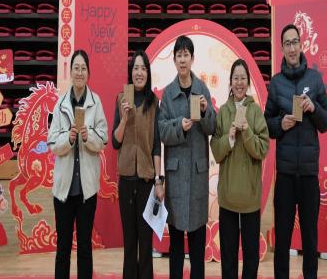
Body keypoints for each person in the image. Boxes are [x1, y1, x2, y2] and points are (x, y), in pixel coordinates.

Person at [264, 24, 327, 279]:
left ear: (301, 45)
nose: (292, 48)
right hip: (285, 175)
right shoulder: (276, 83)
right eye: (287, 43)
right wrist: (279, 124)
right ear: (282, 48)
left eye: (295, 42)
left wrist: (314, 108)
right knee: (282, 237)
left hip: (308, 175)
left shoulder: (315, 80)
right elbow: (266, 124)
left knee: (310, 238)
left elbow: (326, 122)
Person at [159, 35, 216, 279]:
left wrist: (205, 111)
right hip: (175, 176)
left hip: (197, 174)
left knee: (197, 246)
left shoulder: (202, 89)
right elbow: (162, 130)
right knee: (175, 248)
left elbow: (213, 128)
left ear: (192, 59)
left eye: (186, 55)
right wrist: (179, 127)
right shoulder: (168, 93)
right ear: (174, 60)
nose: (182, 60)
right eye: (179, 55)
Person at [48, 49, 108, 279]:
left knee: (84, 247)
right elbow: (53, 144)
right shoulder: (60, 104)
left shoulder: (96, 102)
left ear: (88, 73)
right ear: (70, 72)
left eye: (83, 68)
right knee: (62, 249)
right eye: (76, 68)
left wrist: (87, 136)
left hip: (86, 191)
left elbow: (102, 139)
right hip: (63, 191)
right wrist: (69, 138)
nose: (80, 72)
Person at [211, 58, 269, 279]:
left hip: (250, 197)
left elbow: (262, 150)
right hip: (227, 197)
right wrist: (229, 138)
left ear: (248, 82)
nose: (239, 83)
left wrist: (246, 131)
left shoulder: (255, 111)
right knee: (228, 255)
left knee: (251, 256)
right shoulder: (223, 111)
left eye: (243, 78)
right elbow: (216, 150)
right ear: (230, 82)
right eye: (235, 78)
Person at [112, 50, 165, 279]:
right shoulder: (121, 99)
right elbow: (115, 142)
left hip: (146, 181)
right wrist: (124, 118)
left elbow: (156, 145)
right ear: (130, 72)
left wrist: (158, 180)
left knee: (145, 242)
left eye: (143, 68)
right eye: (135, 68)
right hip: (126, 180)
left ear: (148, 73)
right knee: (129, 242)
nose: (139, 72)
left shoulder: (154, 103)